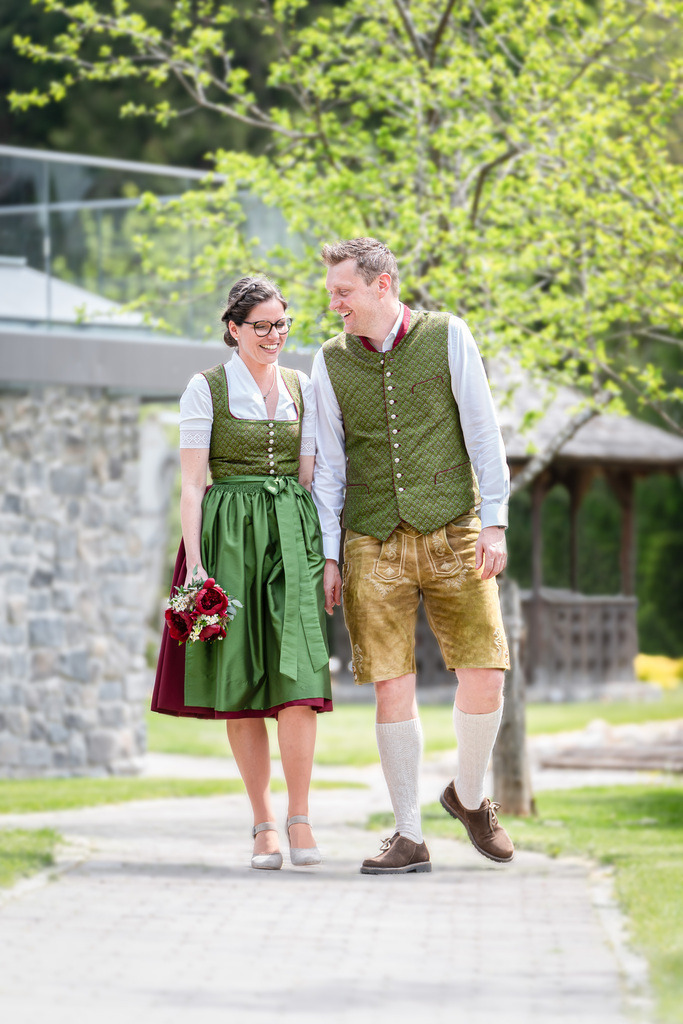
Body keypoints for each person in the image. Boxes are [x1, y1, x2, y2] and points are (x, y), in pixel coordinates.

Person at [311, 237, 512, 874]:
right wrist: (331, 555)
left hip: (455, 522)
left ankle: (470, 795)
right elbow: (330, 467)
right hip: (371, 535)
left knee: (485, 670)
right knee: (390, 684)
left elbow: (483, 429)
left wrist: (496, 522)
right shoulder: (327, 362)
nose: (335, 303)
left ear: (382, 284)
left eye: (343, 291)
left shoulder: (448, 334)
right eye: (331, 293)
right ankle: (408, 835)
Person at [152, 276, 332, 871]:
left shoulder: (304, 387)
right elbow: (194, 484)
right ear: (234, 328)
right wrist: (196, 566)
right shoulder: (204, 389)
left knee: (299, 677)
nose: (274, 336)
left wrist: (325, 554)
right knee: (245, 683)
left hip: (291, 535)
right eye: (262, 326)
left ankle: (300, 818)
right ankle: (263, 824)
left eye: (282, 324)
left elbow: (312, 479)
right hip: (228, 538)